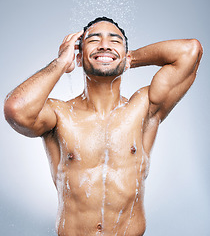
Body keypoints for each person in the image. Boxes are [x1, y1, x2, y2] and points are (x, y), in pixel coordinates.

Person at [4, 16, 203, 236]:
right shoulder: (59, 115)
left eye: (115, 41)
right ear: (79, 55)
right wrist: (61, 62)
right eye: (94, 39)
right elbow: (16, 109)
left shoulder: (144, 108)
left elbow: (189, 51)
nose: (105, 45)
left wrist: (128, 59)